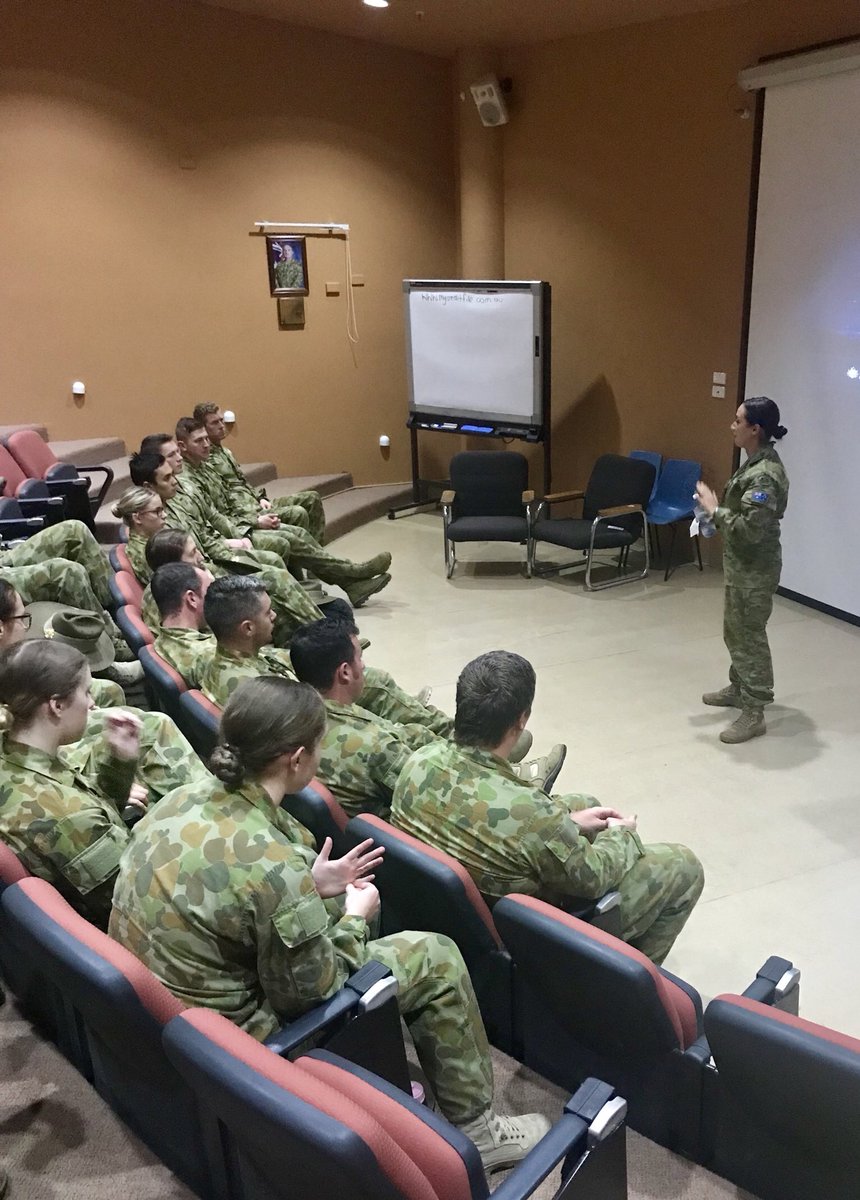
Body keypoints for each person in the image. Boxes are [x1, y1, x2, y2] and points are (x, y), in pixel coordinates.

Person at [108, 676, 549, 1171]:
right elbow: (314, 993)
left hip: (171, 1017)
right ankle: (480, 1133)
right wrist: (355, 921)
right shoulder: (272, 868)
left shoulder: (182, 799)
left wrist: (308, 882)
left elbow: (228, 881)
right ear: (296, 759)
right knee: (435, 955)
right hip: (244, 1046)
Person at [392, 650, 704, 965]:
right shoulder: (533, 814)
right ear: (521, 719)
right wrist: (623, 835)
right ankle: (625, 989)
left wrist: (566, 821)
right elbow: (594, 876)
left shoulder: (419, 760)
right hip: (529, 941)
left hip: (455, 916)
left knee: (584, 802)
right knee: (683, 866)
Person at [290, 616, 556, 820]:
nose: (364, 665)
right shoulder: (374, 746)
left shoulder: (289, 718)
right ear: (345, 672)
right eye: (360, 657)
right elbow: (443, 789)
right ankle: (509, 768)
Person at [197, 576, 458, 749]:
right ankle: (456, 733)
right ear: (248, 628)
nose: (275, 616)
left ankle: (422, 716)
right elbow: (309, 721)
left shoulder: (227, 661)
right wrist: (398, 732)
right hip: (322, 729)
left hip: (307, 706)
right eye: (268, 612)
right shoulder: (250, 686)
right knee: (377, 684)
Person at [174, 417, 391, 607]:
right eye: (198, 440)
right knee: (286, 539)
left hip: (241, 521)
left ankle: (349, 580)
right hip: (235, 533)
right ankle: (351, 576)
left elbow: (232, 496)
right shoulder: (188, 481)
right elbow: (218, 517)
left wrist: (259, 502)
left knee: (298, 531)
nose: (205, 444)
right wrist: (252, 524)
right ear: (183, 447)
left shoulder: (205, 466)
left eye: (205, 438)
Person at [0, 640, 144, 926]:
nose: (92, 703)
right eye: (87, 692)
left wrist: (120, 763)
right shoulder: (69, 816)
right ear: (56, 705)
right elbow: (134, 898)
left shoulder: (13, 753)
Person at [128, 450, 327, 642]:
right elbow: (175, 590)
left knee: (275, 573)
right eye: (157, 512)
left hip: (211, 570)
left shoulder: (161, 529)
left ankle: (319, 632)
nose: (163, 515)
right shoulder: (145, 550)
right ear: (138, 517)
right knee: (274, 587)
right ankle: (320, 638)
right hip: (208, 594)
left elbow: (206, 530)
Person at [695, 397, 789, 744]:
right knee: (735, 632)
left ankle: (755, 710)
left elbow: (750, 530)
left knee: (750, 637)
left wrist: (715, 509)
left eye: (738, 421)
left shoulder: (764, 475)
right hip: (742, 567)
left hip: (755, 570)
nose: (732, 426)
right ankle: (739, 687)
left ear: (755, 429)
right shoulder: (754, 463)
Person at [193, 402, 324, 541]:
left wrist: (260, 498)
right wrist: (254, 516)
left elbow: (242, 481)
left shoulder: (225, 452)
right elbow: (224, 499)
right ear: (203, 428)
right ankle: (309, 557)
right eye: (214, 423)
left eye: (221, 420)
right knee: (297, 513)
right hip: (246, 510)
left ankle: (316, 550)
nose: (221, 425)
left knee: (312, 498)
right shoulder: (206, 459)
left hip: (255, 502)